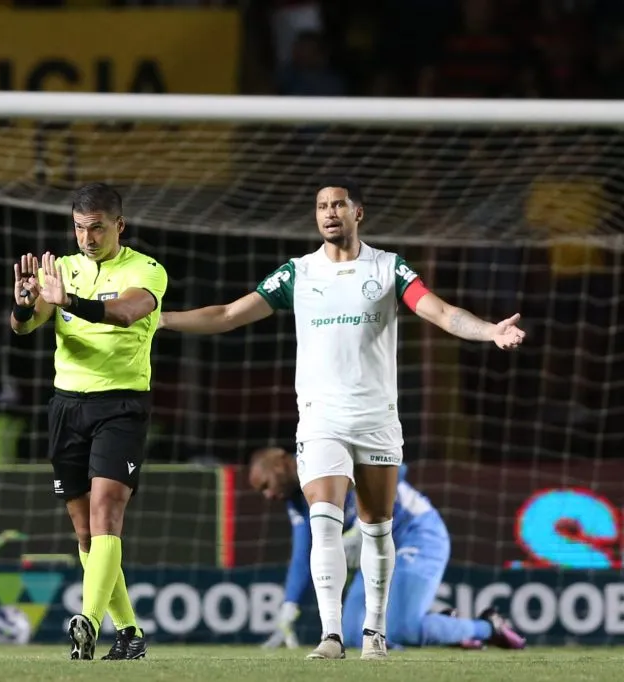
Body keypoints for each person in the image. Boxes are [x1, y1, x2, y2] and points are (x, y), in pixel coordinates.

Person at [159, 177, 525, 660]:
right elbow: (228, 314)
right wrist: (161, 319)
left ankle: (375, 633)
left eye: (338, 205)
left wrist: (489, 331)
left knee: (376, 527)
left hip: (377, 418)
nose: (329, 212)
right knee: (324, 520)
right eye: (321, 206)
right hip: (320, 420)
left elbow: (439, 312)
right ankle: (331, 635)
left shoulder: (389, 268)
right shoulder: (297, 273)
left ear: (358, 213)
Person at [10, 182, 167, 661]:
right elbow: (25, 326)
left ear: (119, 225)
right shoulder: (61, 269)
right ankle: (130, 632)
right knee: (85, 533)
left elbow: (126, 313)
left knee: (106, 514)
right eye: (79, 228)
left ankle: (89, 622)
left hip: (120, 406)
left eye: (97, 228)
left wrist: (70, 302)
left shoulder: (146, 270)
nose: (87, 238)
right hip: (67, 407)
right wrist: (24, 303)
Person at [249, 447, 525, 652]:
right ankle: (446, 629)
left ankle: (488, 627)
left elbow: (397, 471)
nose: (267, 495)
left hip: (415, 534)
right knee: (355, 635)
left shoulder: (325, 458)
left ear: (279, 467)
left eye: (265, 485)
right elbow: (304, 554)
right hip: (375, 549)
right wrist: (290, 605)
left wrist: (361, 524)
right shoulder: (297, 500)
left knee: (401, 630)